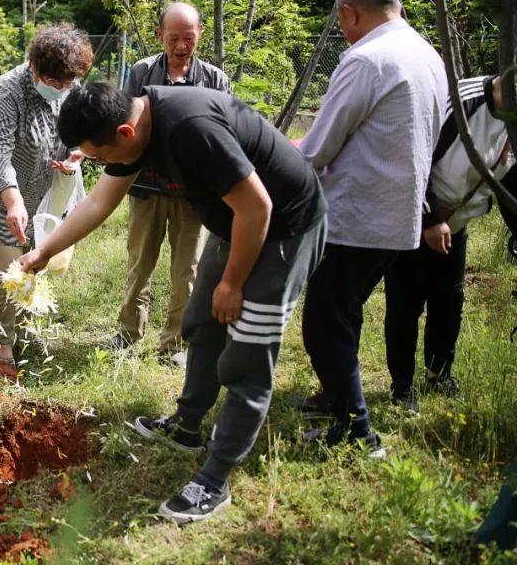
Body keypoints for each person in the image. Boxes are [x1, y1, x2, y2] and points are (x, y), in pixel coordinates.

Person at [19, 81, 327, 524]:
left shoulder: (190, 128)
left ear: (125, 133)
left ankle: (215, 480)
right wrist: (45, 250)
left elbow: (258, 207)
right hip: (236, 222)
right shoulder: (135, 123)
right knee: (202, 321)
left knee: (247, 357)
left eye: (102, 155)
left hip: (284, 228)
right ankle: (187, 426)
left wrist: (234, 282)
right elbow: (100, 201)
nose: (105, 164)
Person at [298, 0, 447, 453]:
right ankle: (334, 395)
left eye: (342, 21)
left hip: (354, 217)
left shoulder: (367, 59)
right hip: (400, 215)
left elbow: (319, 147)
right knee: (346, 313)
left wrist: (282, 156)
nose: (343, 29)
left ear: (350, 12)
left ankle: (359, 433)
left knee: (324, 321)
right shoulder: (428, 55)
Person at [383, 68, 515, 412]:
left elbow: (509, 181)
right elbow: (413, 157)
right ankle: (401, 385)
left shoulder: (512, 116)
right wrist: (428, 220)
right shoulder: (459, 100)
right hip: (412, 215)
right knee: (406, 302)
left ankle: (439, 374)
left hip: (455, 223)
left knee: (449, 301)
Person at [108, 1, 232, 362]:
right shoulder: (143, 72)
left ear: (200, 34)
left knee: (188, 271)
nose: (181, 46)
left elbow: (221, 134)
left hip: (194, 195)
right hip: (146, 188)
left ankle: (177, 343)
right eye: (173, 37)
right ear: (160, 35)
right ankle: (128, 333)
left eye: (188, 38)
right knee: (139, 263)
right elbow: (126, 128)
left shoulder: (215, 80)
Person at [0, 23, 93, 365]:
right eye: (55, 83)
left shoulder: (70, 83)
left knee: (35, 261)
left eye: (68, 83)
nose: (63, 88)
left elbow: (75, 130)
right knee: (8, 269)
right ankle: (3, 345)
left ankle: (24, 325)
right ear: (35, 67)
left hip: (44, 192)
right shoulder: (8, 90)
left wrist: (76, 152)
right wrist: (13, 200)